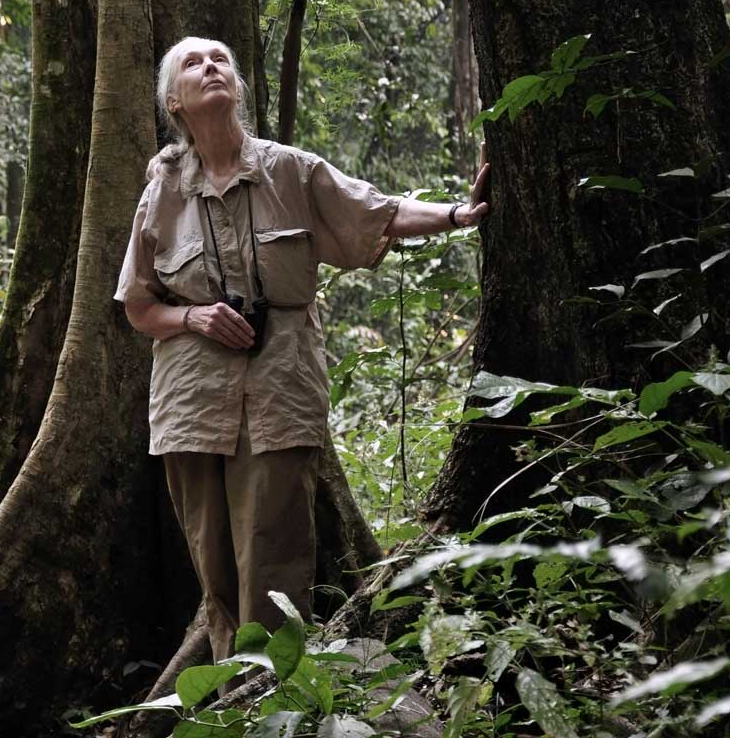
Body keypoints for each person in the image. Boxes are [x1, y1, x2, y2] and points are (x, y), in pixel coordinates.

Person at [113, 36, 490, 665]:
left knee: (275, 555)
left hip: (279, 389)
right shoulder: (161, 194)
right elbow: (137, 306)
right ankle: (232, 696)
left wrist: (459, 214)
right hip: (190, 403)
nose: (211, 67)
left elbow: (380, 213)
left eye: (220, 59)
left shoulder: (290, 170)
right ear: (174, 103)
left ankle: (275, 693)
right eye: (193, 63)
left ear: (236, 86)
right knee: (215, 570)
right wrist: (194, 316)